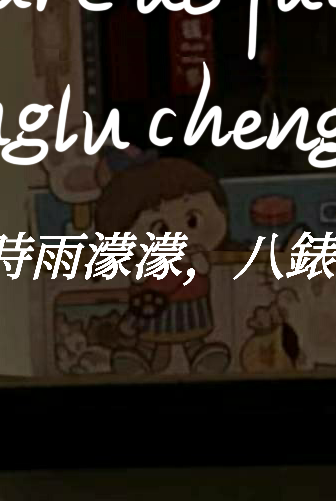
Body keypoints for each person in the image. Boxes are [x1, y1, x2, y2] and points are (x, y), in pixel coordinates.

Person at [93, 156, 233, 374]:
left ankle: (200, 355)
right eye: (162, 230)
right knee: (149, 338)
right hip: (154, 304)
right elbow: (138, 276)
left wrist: (196, 258)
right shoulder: (149, 257)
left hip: (190, 303)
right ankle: (140, 359)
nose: (179, 236)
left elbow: (203, 268)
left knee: (192, 338)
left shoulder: (195, 253)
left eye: (192, 221)